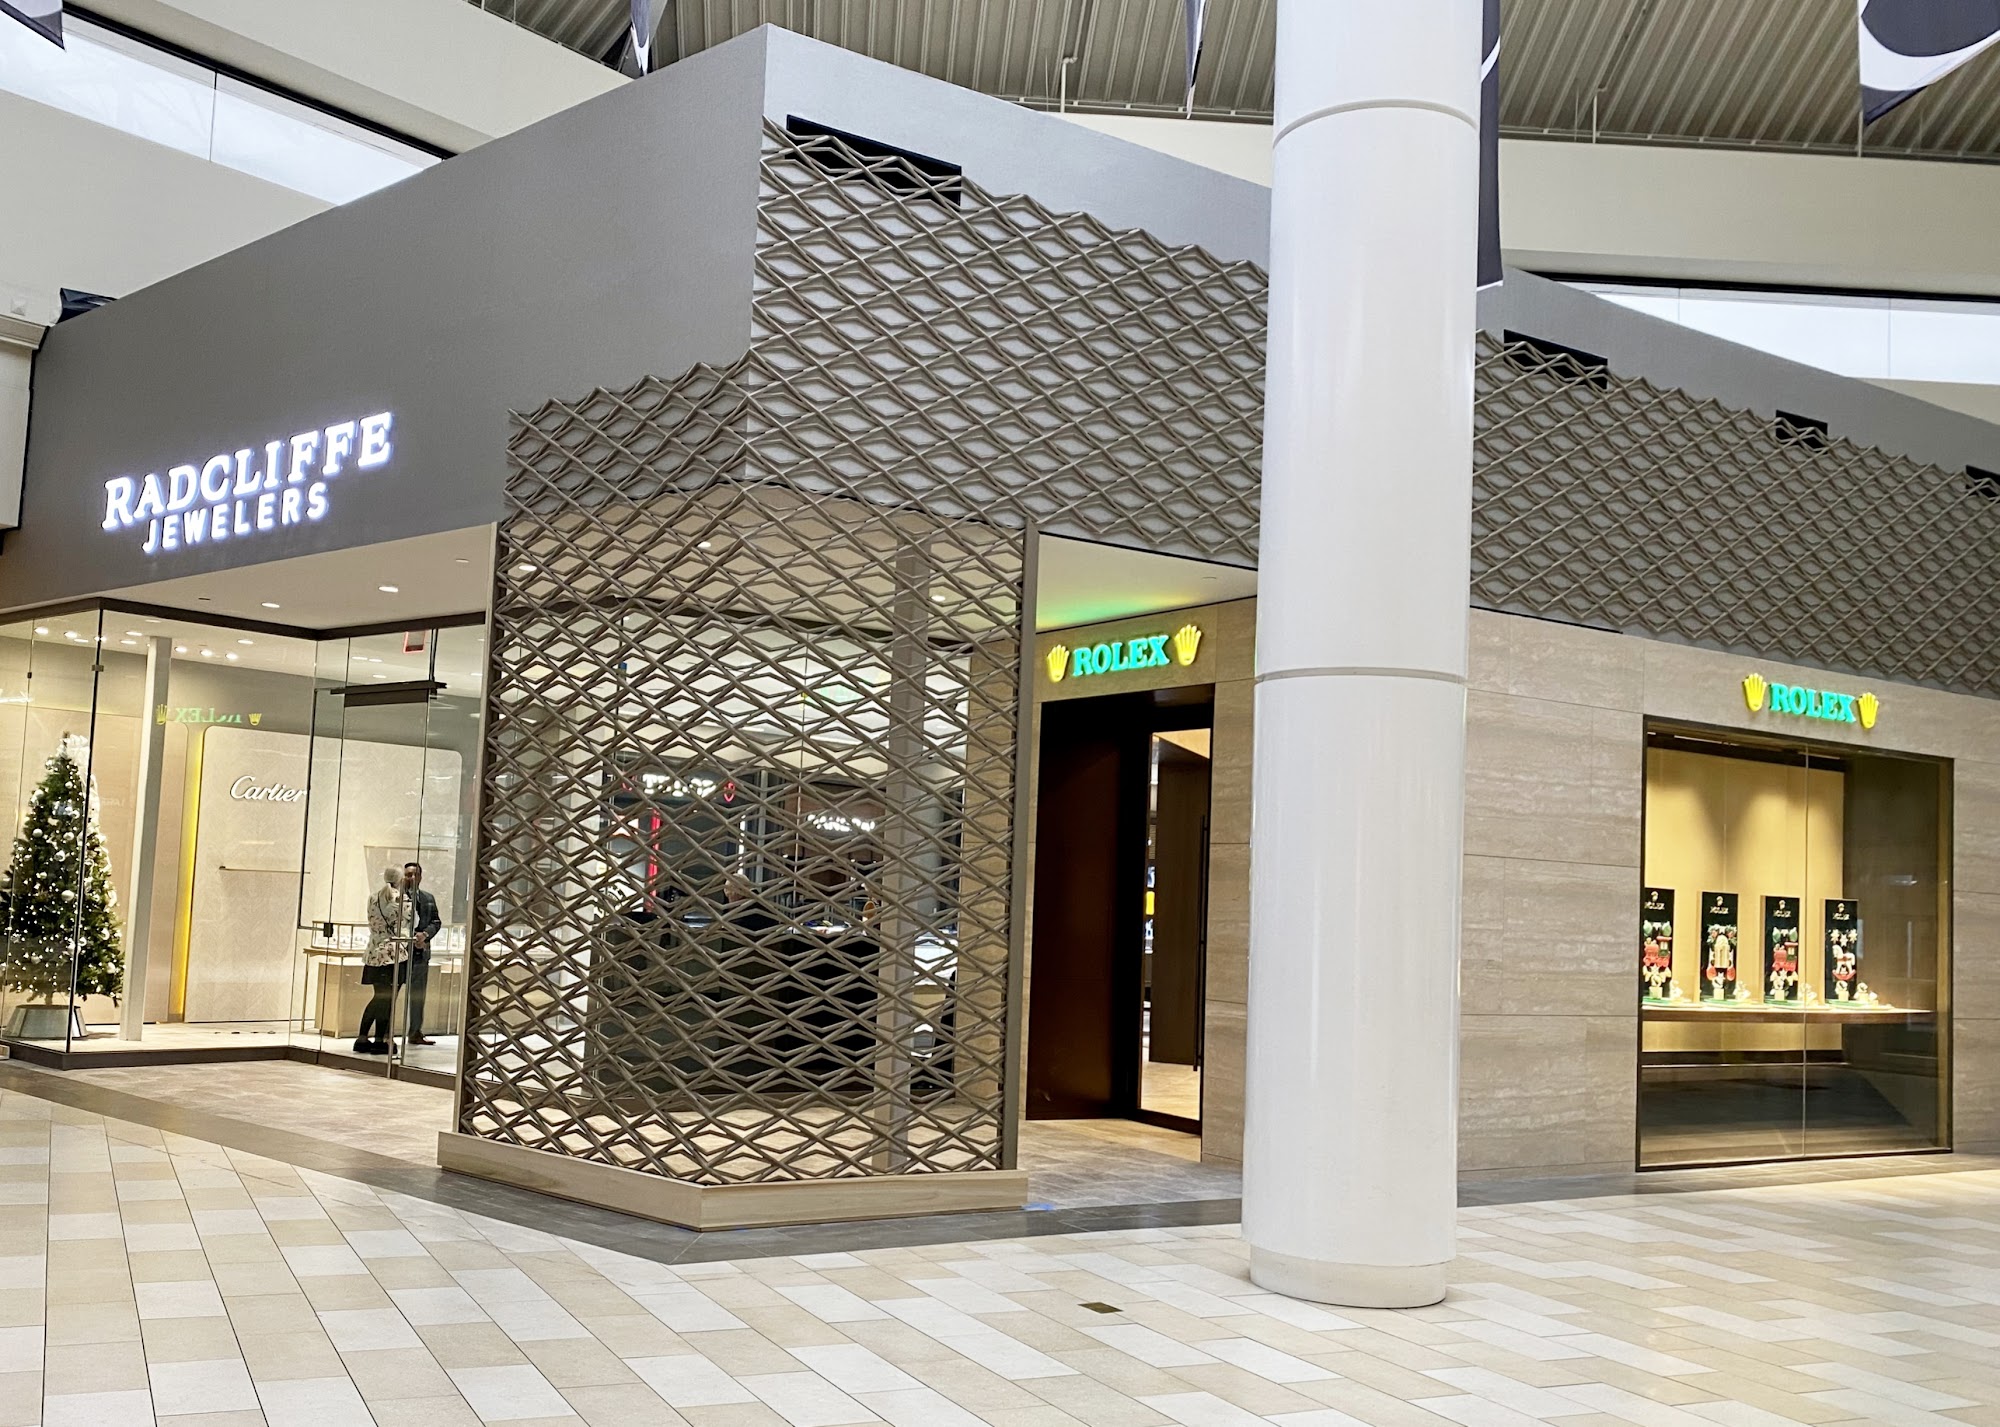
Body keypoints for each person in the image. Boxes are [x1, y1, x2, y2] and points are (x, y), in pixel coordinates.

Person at [357, 867, 409, 1054]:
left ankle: (363, 1037)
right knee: (387, 999)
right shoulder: (402, 900)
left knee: (379, 996)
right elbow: (405, 926)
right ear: (400, 880)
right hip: (393, 955)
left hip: (373, 952)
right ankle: (380, 1039)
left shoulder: (373, 897)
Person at [401, 861, 443, 1046]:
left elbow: (436, 921)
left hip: (420, 954)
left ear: (420, 877)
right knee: (391, 994)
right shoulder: (397, 898)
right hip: (400, 953)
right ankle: (384, 1034)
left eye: (415, 875)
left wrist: (424, 935)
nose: (411, 878)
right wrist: (410, 936)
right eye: (408, 875)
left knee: (418, 995)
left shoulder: (428, 898)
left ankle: (415, 1032)